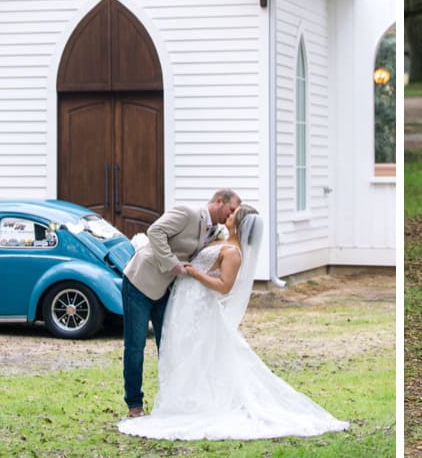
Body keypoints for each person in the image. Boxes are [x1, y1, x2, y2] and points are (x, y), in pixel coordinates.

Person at [119, 206, 349, 440]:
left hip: (198, 303)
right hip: (183, 300)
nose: (227, 216)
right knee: (177, 351)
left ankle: (187, 401)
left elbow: (224, 287)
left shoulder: (234, 253)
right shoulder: (218, 238)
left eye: (232, 215)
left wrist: (194, 274)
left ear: (237, 223)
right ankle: (171, 398)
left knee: (190, 353)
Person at [121, 189, 240, 418]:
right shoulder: (187, 213)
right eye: (231, 209)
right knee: (135, 346)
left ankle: (172, 399)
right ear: (218, 201)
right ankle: (134, 404)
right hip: (140, 281)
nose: (231, 214)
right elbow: (155, 231)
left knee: (170, 344)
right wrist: (173, 263)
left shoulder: (215, 231)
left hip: (167, 290)